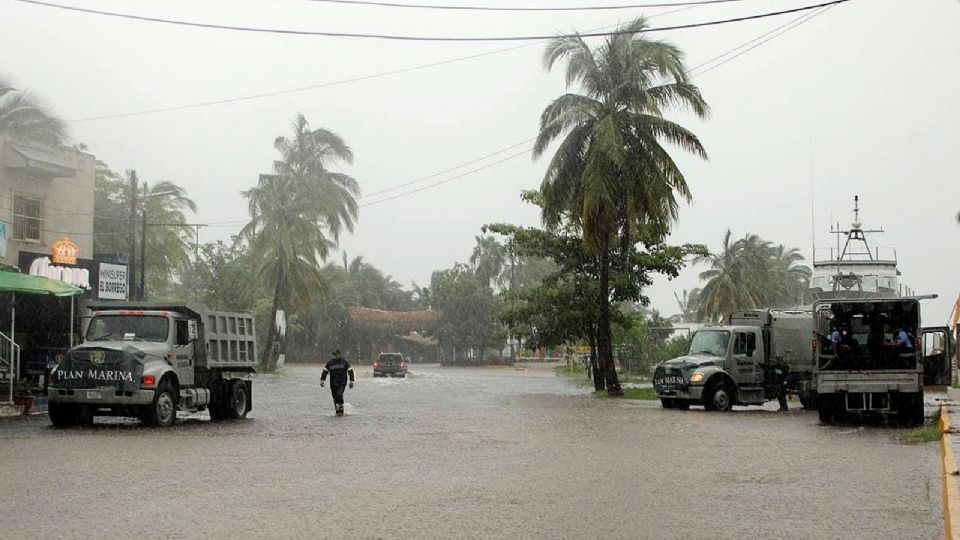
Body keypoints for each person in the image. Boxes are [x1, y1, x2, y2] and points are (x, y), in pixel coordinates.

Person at [320, 349, 355, 416]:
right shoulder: (330, 363)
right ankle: (337, 411)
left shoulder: (344, 362)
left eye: (338, 354)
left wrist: (351, 381)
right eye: (336, 355)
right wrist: (322, 380)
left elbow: (350, 371)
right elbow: (325, 371)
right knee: (335, 397)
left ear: (340, 354)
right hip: (333, 383)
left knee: (339, 394)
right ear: (334, 355)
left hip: (342, 382)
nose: (337, 356)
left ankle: (341, 408)